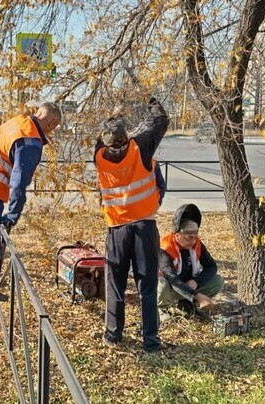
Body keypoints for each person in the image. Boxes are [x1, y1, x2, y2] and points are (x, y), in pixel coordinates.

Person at [0, 102, 62, 300]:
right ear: (51, 123)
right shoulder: (30, 142)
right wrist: (13, 215)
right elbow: (19, 183)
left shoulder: (20, 121)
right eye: (55, 127)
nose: (52, 131)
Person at [95, 97, 169, 352]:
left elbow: (102, 133)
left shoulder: (99, 156)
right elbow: (160, 122)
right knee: (146, 284)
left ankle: (113, 335)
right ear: (127, 135)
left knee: (115, 284)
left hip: (117, 229)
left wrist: (112, 113)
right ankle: (150, 340)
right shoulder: (140, 147)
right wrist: (150, 102)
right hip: (144, 227)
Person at [158, 203, 224, 317]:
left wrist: (196, 282)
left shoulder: (196, 243)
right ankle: (161, 310)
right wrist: (197, 296)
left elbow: (211, 266)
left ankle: (185, 304)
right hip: (169, 287)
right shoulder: (165, 249)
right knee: (162, 284)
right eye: (189, 237)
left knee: (217, 281)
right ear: (177, 235)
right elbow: (172, 279)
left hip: (187, 285)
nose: (193, 241)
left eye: (195, 236)